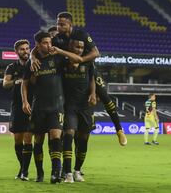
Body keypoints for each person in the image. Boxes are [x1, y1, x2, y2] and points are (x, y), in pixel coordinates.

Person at [31, 12, 127, 146]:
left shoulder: (82, 34)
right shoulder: (58, 38)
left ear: (70, 24)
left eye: (62, 24)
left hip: (88, 68)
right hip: (68, 71)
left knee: (105, 96)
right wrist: (33, 58)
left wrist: (81, 60)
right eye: (58, 24)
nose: (58, 26)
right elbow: (39, 47)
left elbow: (96, 53)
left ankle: (119, 130)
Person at [21, 31, 83, 184]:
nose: (49, 45)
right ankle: (40, 173)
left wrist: (61, 51)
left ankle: (56, 172)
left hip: (56, 106)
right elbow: (25, 83)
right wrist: (24, 102)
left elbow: (78, 59)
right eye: (45, 43)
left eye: (50, 42)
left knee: (55, 138)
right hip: (39, 106)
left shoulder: (58, 58)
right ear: (37, 44)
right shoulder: (32, 62)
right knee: (39, 140)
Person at [62, 36, 96, 183]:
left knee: (83, 139)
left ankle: (77, 170)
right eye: (77, 47)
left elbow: (92, 78)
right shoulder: (62, 62)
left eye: (82, 48)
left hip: (84, 106)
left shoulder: (88, 63)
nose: (80, 50)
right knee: (68, 135)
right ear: (70, 47)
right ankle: (67, 172)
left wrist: (93, 93)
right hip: (69, 106)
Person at [3, 39, 33, 181]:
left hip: (31, 106)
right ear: (16, 52)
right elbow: (5, 84)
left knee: (28, 139)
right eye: (22, 49)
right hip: (16, 106)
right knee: (17, 140)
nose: (25, 51)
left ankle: (24, 172)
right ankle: (22, 167)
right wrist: (16, 81)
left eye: (27, 49)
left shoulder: (34, 65)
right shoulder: (11, 67)